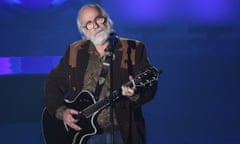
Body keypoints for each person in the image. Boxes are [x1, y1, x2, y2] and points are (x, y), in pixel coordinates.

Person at [43, 3, 159, 144]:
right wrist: (63, 112)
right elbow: (52, 84)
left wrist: (135, 92)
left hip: (122, 133)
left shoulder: (133, 49)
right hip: (85, 136)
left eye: (99, 19)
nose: (96, 26)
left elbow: (150, 88)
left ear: (107, 19)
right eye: (89, 24)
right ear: (83, 31)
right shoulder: (75, 51)